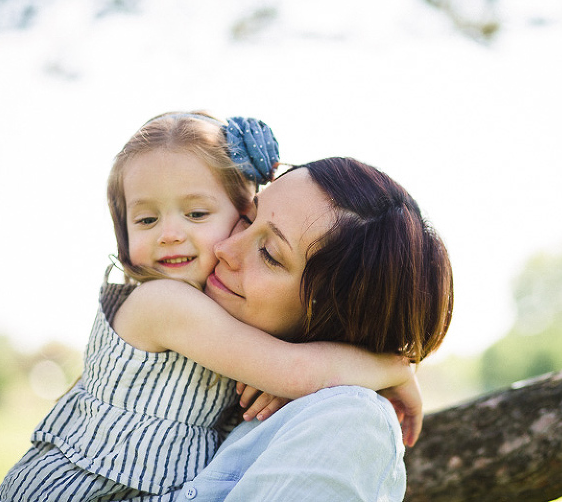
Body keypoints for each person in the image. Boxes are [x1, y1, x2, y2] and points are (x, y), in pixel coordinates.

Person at [0, 112, 422, 502]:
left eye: (196, 213)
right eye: (146, 220)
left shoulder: (222, 320)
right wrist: (395, 368)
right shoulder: (164, 303)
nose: (169, 233)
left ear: (241, 207)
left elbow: (290, 372)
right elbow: (294, 370)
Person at [157, 155, 453, 501]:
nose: (223, 248)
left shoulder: (347, 422)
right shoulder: (177, 318)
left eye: (268, 253)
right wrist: (392, 368)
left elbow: (297, 373)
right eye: (247, 219)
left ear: (333, 316)